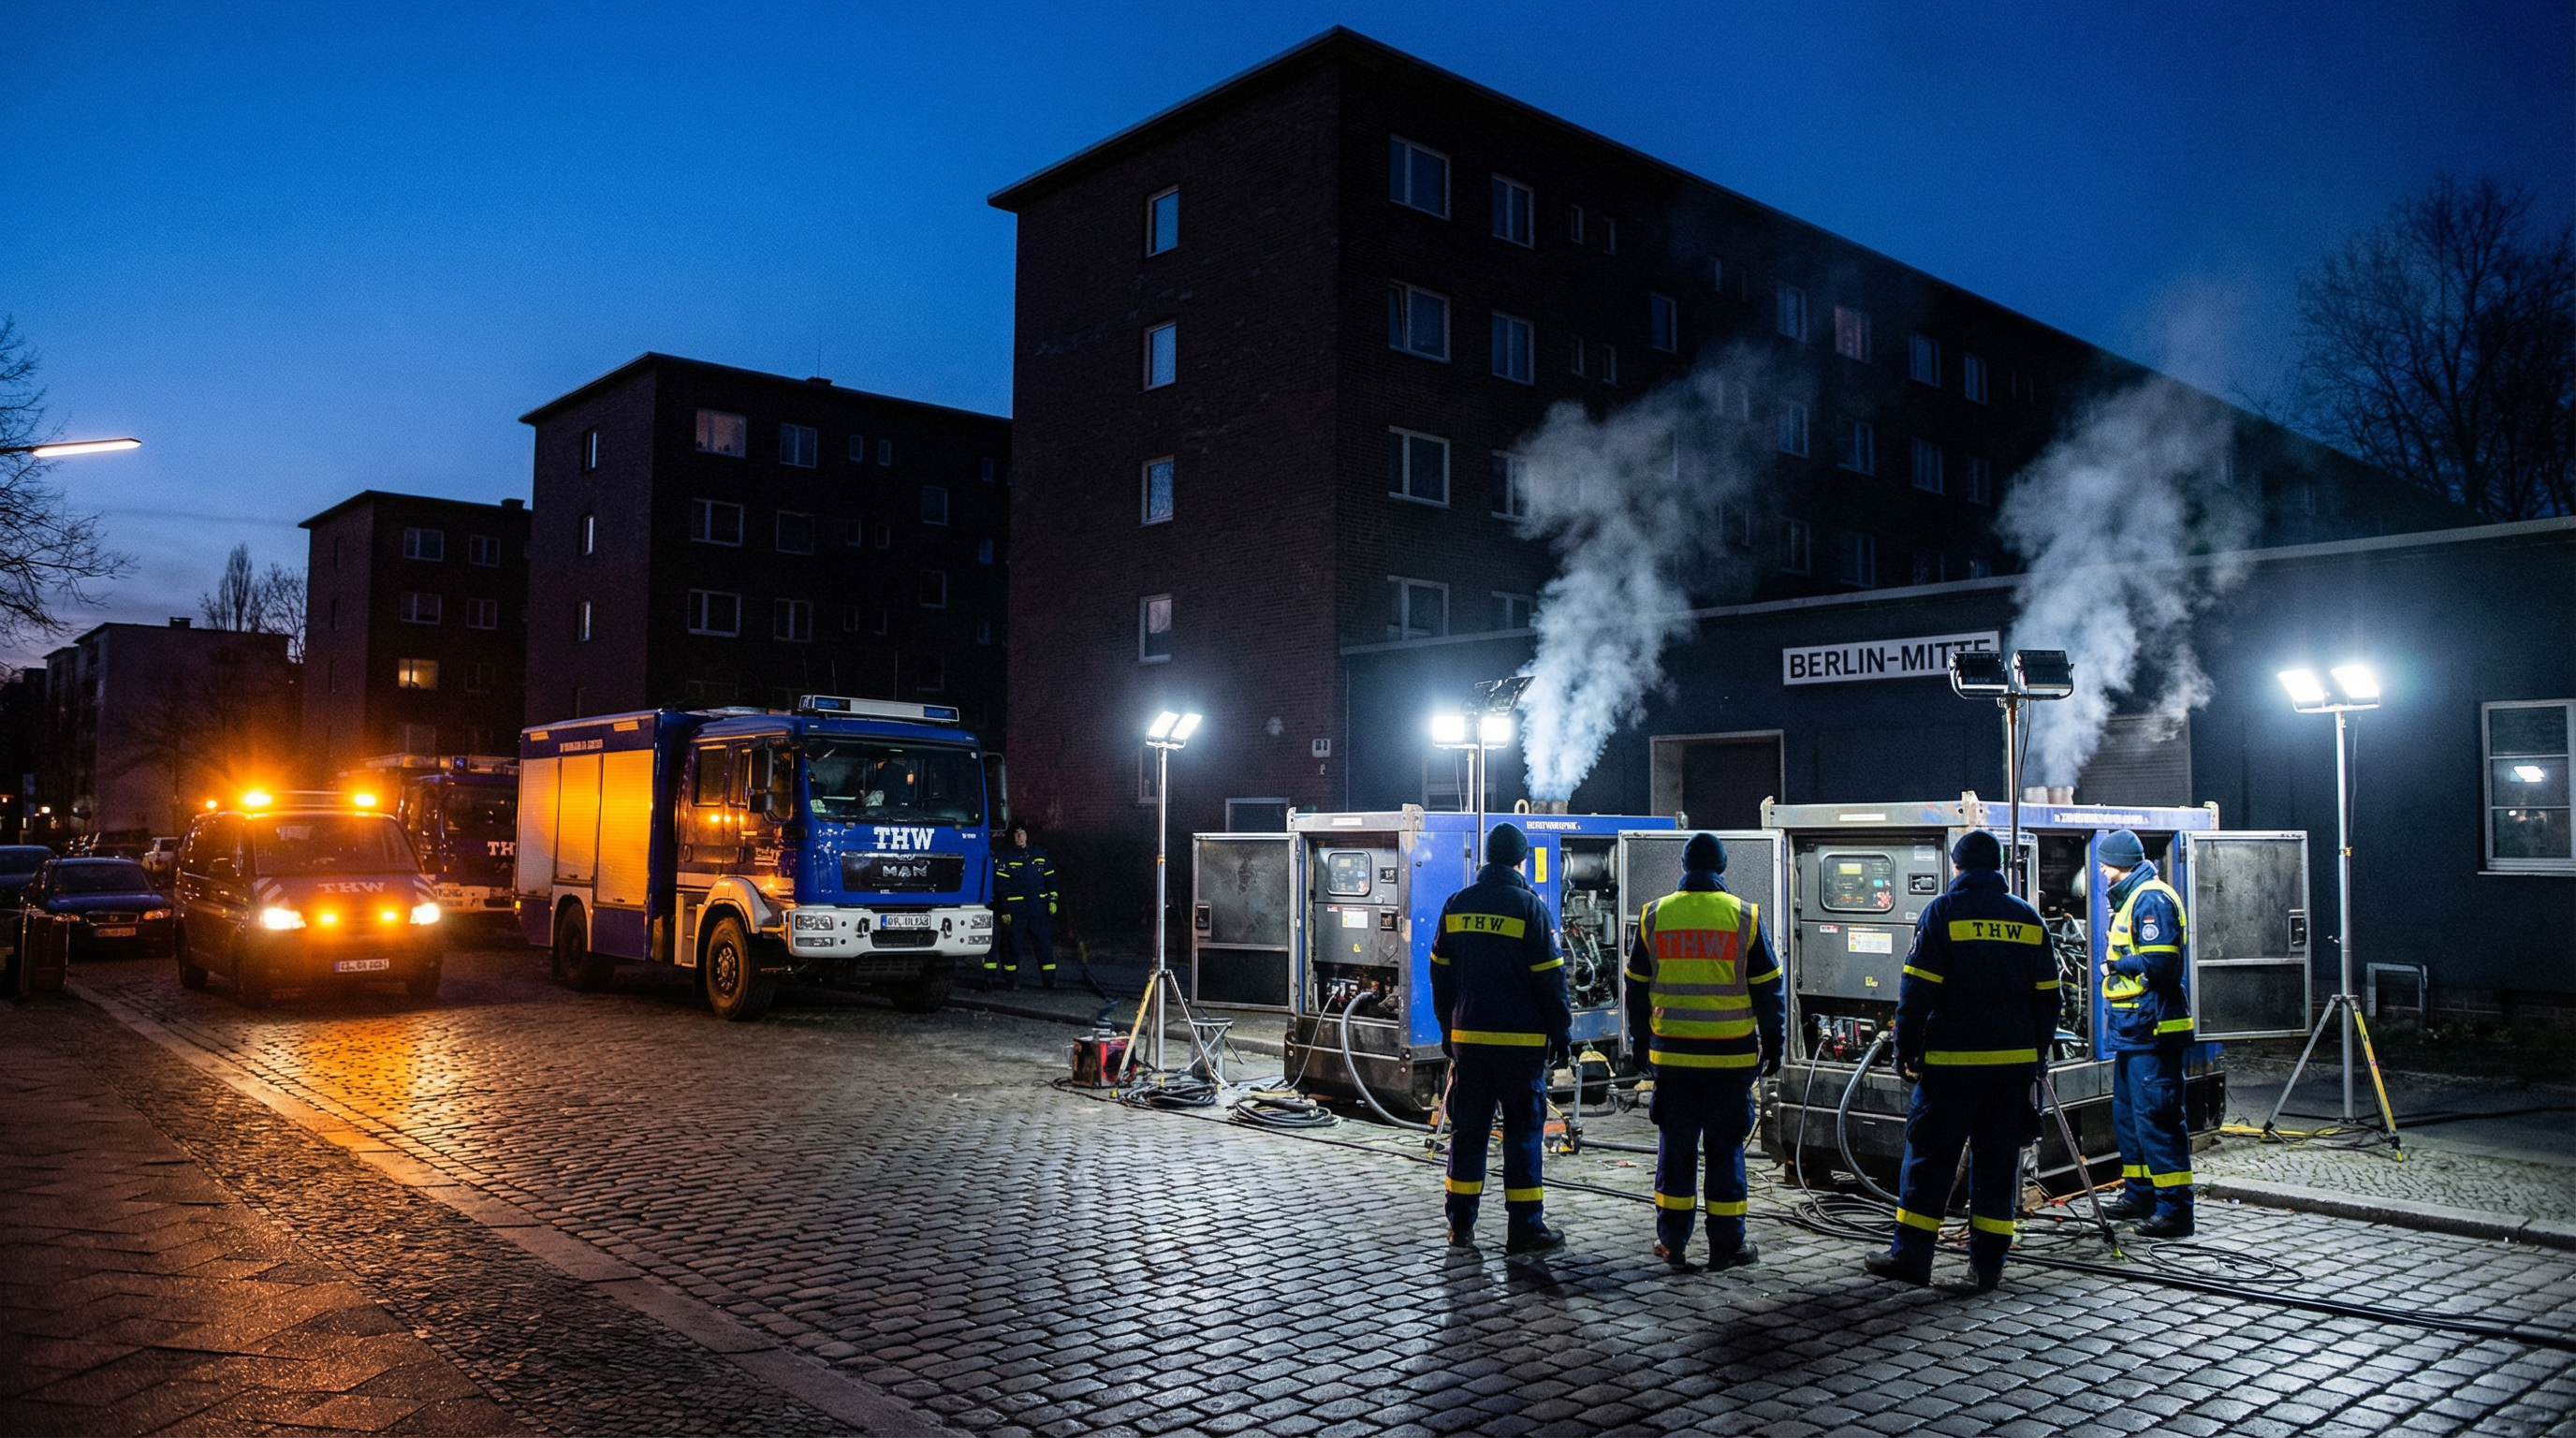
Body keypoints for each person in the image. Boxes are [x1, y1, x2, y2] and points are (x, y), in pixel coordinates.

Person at [1862, 829, 2059, 1291]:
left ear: (1957, 867)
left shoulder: (1942, 913)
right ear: (1999, 869)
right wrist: (2035, 1057)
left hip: (1951, 1069)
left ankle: (1911, 1257)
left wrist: (1904, 1049)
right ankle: (1987, 1267)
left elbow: (1916, 990)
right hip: (2011, 1072)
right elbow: (2050, 1000)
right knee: (1996, 1166)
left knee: (1929, 1161)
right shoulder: (2029, 920)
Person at [1623, 832, 1784, 1272]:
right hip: (1730, 1061)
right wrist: (1774, 1043)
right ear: (1723, 867)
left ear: (1683, 864)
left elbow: (1636, 988)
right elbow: (1769, 989)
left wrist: (1640, 1041)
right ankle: (1727, 1247)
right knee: (1725, 1150)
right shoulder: (1745, 916)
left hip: (1672, 1060)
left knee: (1675, 1151)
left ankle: (1673, 1242)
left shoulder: (1654, 915)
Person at [1429, 821, 1570, 1255]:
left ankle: (1460, 1226)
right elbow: (1551, 980)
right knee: (1523, 1133)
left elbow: (1440, 977)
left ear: (1486, 857)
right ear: (1520, 860)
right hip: (1520, 1046)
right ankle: (1525, 1230)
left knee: (1467, 1132)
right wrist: (1561, 1033)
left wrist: (1448, 1031)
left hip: (1469, 1041)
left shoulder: (1457, 904)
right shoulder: (1529, 908)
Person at [2094, 828, 2196, 1238]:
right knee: (2130, 1119)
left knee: (2158, 1119)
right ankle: (2140, 1194)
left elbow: (2162, 964)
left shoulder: (2151, 898)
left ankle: (2175, 1211)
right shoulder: (2133, 897)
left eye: (2104, 862)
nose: (2099, 869)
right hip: (2132, 1032)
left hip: (2154, 1031)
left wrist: (2116, 967)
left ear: (2119, 862)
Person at [988, 825, 1059, 990]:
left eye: (1022, 833)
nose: (1020, 837)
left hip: (1038, 909)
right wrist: (1005, 909)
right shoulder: (1006, 855)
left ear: (1027, 836)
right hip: (1016, 910)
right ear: (1012, 837)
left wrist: (1053, 899)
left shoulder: (1039, 853)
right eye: (1017, 834)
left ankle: (1049, 980)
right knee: (1013, 946)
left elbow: (1050, 878)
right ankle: (1011, 980)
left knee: (1044, 945)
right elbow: (1001, 885)